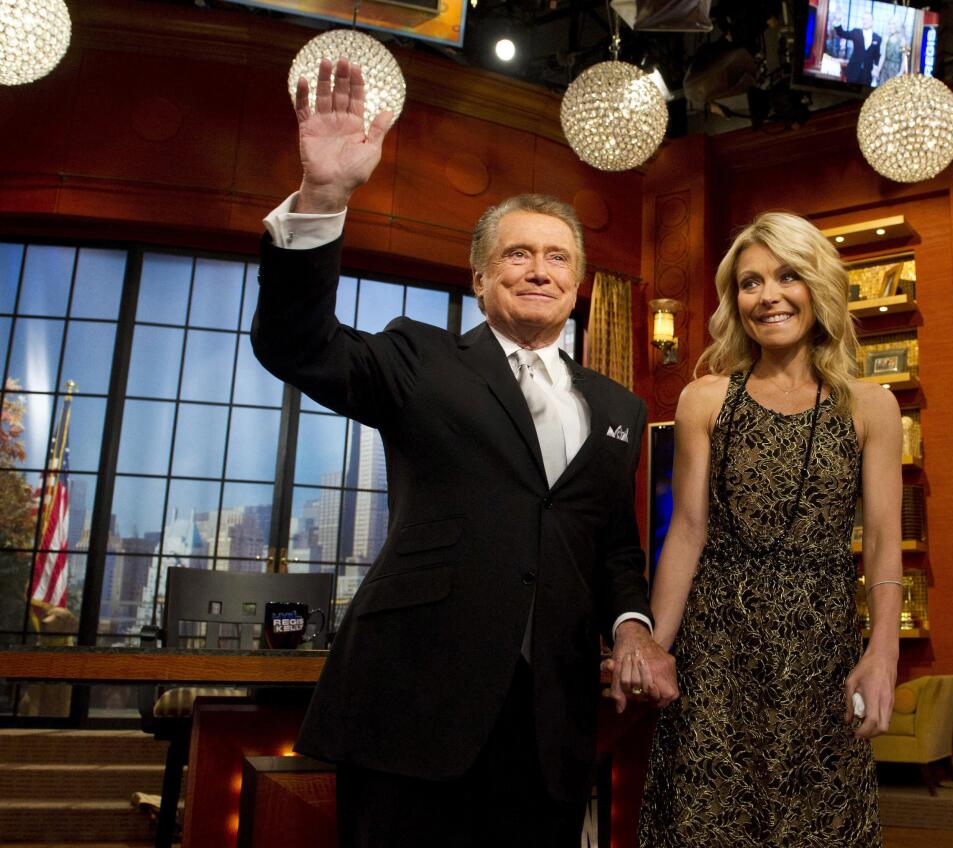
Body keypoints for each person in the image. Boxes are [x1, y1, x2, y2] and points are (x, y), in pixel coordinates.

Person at [251, 57, 677, 847]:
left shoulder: (619, 408)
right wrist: (324, 199)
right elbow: (295, 343)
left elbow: (612, 545)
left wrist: (630, 626)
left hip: (550, 726)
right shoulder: (419, 358)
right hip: (411, 706)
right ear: (480, 277)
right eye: (517, 255)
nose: (539, 270)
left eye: (557, 258)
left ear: (580, 285)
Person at [637, 212, 902, 846]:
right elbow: (689, 532)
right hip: (716, 651)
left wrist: (883, 653)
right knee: (706, 824)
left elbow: (886, 542)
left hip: (823, 651)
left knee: (818, 826)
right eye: (750, 282)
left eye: (787, 276)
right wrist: (655, 644)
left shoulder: (871, 405)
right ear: (736, 300)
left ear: (818, 287)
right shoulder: (705, 399)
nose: (769, 295)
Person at [834, 11, 884, 86]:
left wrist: (875, 69)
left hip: (867, 74)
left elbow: (877, 56)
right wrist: (838, 20)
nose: (865, 21)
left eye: (867, 19)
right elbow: (841, 33)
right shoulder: (856, 32)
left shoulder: (878, 38)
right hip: (852, 71)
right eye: (863, 19)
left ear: (872, 22)